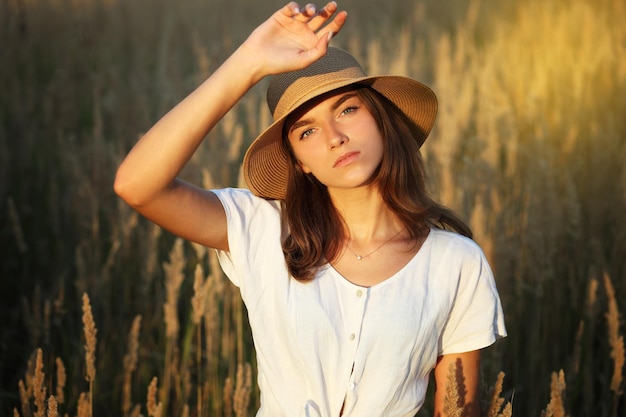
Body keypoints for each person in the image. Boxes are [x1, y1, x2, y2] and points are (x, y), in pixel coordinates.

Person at [114, 2, 506, 416]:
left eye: (348, 110)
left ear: (381, 121)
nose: (335, 137)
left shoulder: (456, 262)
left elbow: (458, 409)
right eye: (308, 130)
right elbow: (137, 185)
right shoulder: (262, 230)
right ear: (298, 159)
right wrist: (248, 63)